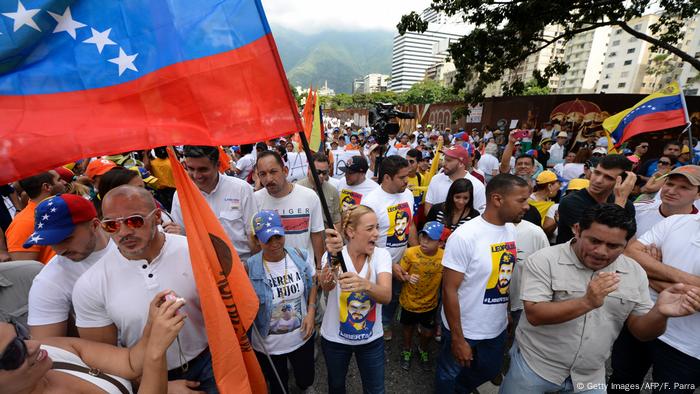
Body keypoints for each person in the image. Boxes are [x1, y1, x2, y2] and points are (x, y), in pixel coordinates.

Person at [500, 204, 700, 394]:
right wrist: (586, 302)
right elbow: (535, 314)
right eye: (594, 241)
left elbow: (642, 332)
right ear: (577, 230)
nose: (601, 251)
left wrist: (660, 313)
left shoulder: (634, 272)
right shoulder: (544, 260)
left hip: (590, 376)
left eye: (613, 246)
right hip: (535, 367)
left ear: (626, 244)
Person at [71, 185, 214, 393]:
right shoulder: (91, 284)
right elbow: (103, 360)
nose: (124, 232)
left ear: (157, 217)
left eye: (135, 221)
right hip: (146, 377)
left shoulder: (195, 251)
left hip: (211, 362)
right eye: (112, 225)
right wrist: (159, 385)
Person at [436, 174, 530, 393]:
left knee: (489, 369)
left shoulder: (510, 230)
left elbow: (501, 277)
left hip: (495, 325)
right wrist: (458, 338)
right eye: (521, 200)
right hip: (465, 327)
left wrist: (504, 311)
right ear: (497, 199)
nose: (527, 206)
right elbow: (449, 289)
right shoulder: (464, 237)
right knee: (449, 372)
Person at [0, 292, 187, 394]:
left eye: (20, 333)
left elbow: (129, 362)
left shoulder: (52, 349)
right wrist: (156, 350)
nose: (34, 345)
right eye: (14, 352)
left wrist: (151, 326)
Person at [318, 205, 392, 394]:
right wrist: (333, 256)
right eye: (369, 229)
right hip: (335, 340)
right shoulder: (335, 255)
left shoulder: (381, 256)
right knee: (336, 386)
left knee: (375, 389)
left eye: (377, 227)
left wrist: (365, 285)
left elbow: (386, 295)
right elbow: (327, 286)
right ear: (351, 231)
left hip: (371, 341)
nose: (376, 233)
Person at [245, 211, 317, 394]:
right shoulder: (249, 268)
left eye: (278, 236)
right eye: (268, 239)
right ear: (257, 240)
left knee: (306, 378)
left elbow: (313, 283)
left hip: (302, 338)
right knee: (278, 386)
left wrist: (311, 311)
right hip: (268, 346)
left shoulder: (301, 256)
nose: (275, 243)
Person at [24, 194, 114, 339]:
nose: (59, 250)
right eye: (50, 241)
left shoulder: (130, 242)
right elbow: (49, 346)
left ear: (95, 225)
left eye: (66, 238)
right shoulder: (49, 281)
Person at [361, 155, 417, 341]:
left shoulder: (407, 194)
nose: (406, 181)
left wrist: (417, 253)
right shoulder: (371, 201)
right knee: (380, 296)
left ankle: (388, 320)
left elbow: (410, 225)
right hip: (379, 263)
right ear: (386, 178)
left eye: (407, 176)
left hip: (404, 259)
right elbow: (366, 238)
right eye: (401, 177)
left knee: (396, 295)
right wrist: (390, 264)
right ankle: (378, 325)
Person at [172, 145, 259, 261]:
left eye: (203, 169)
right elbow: (181, 239)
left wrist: (251, 267)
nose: (197, 175)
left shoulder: (241, 189)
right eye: (191, 169)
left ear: (218, 166)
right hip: (205, 271)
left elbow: (254, 236)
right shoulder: (180, 196)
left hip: (243, 268)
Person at [255, 151, 325, 267]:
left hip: (305, 272)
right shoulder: (255, 200)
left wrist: (319, 267)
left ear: (285, 171)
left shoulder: (310, 196)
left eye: (273, 172)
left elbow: (316, 234)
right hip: (271, 275)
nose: (268, 178)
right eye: (263, 174)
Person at [556, 154, 636, 244]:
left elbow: (630, 243)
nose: (598, 180)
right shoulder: (571, 202)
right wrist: (619, 204)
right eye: (597, 173)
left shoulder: (627, 205)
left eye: (608, 177)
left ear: (622, 182)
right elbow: (601, 241)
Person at [398, 221, 445, 371]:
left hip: (430, 304)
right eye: (423, 237)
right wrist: (406, 277)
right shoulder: (410, 252)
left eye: (430, 239)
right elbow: (399, 273)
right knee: (408, 328)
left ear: (440, 242)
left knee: (428, 332)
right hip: (409, 302)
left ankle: (422, 349)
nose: (424, 241)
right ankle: (407, 349)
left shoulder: (444, 257)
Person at [6, 171, 66, 263]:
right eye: (59, 180)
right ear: (47, 187)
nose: (64, 182)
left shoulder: (63, 207)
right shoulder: (23, 224)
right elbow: (26, 272)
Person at [633, 165, 700, 236]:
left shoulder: (697, 225)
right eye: (670, 184)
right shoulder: (636, 209)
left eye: (684, 187)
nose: (671, 191)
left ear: (698, 195)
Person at [425, 145, 486, 214]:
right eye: (444, 159)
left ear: (460, 163)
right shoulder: (436, 179)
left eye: (448, 160)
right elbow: (428, 208)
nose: (443, 163)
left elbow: (480, 215)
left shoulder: (477, 186)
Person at [296, 153, 341, 230]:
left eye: (324, 173)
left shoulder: (333, 191)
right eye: (317, 172)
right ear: (309, 169)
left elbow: (337, 220)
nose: (321, 176)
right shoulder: (297, 189)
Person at [528, 170, 561, 236]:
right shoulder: (528, 202)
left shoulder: (549, 202)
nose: (559, 187)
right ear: (549, 186)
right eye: (557, 183)